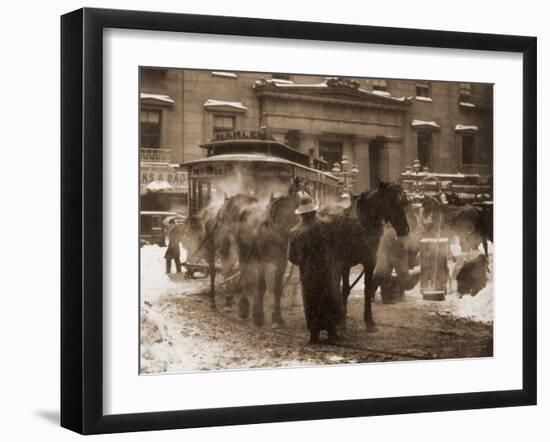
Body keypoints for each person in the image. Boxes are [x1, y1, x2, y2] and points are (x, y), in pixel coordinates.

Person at [288, 192, 342, 344]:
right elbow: (335, 245)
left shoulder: (294, 232)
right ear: (313, 212)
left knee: (311, 301)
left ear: (301, 215)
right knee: (329, 298)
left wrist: (304, 264)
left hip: (307, 274)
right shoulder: (325, 226)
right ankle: (332, 333)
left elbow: (291, 257)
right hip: (326, 270)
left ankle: (314, 335)